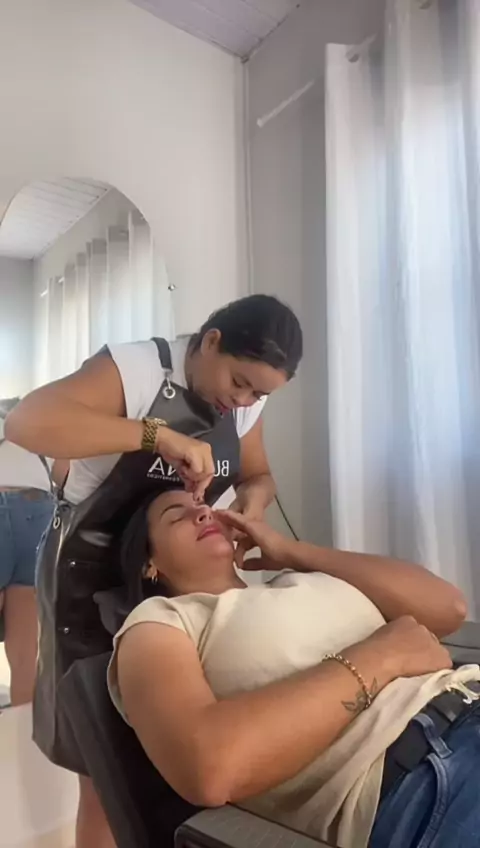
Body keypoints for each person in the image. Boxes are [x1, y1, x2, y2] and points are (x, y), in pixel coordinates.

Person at [5, 294, 303, 848]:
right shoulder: (138, 369)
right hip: (91, 578)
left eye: (258, 395)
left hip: (172, 584)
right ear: (210, 341)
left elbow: (259, 474)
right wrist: (155, 434)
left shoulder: (242, 405)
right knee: (107, 774)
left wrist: (254, 502)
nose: (243, 401)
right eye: (239, 383)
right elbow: (27, 422)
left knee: (180, 752)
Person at [107, 488, 477, 848]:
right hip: (423, 775)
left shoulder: (298, 579)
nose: (203, 512)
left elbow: (448, 608)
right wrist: (384, 657)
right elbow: (208, 768)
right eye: (177, 517)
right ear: (148, 564)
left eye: (202, 504)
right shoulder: (161, 620)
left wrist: (290, 551)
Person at [0, 398, 54, 706]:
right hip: (37, 508)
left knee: (26, 655)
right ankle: (23, 732)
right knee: (26, 656)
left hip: (25, 504)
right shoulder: (31, 420)